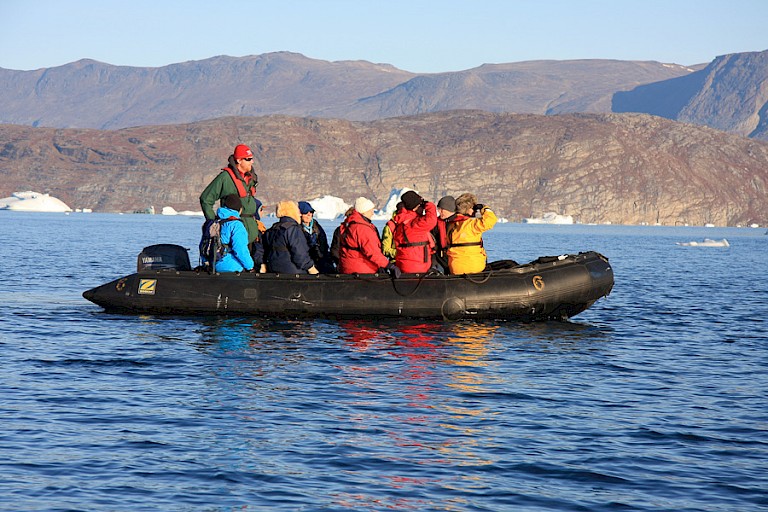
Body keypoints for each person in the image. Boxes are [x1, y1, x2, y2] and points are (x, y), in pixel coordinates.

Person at [200, 144, 262, 258]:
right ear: (239, 160)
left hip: (251, 235)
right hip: (233, 235)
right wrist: (213, 223)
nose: (252, 162)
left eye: (252, 158)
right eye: (248, 159)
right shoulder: (225, 178)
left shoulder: (251, 178)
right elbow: (205, 199)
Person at [338, 197, 400, 278]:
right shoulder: (362, 229)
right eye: (371, 210)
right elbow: (373, 252)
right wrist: (389, 266)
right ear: (364, 211)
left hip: (348, 267)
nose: (372, 213)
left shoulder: (350, 225)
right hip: (362, 270)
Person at [446, 193, 498, 275]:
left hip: (455, 268)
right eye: (473, 208)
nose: (475, 211)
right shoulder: (472, 224)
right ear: (467, 209)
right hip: (474, 268)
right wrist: (484, 208)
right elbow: (491, 220)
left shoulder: (450, 225)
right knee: (508, 264)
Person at [262, 200, 319, 274]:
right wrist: (310, 267)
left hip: (273, 269)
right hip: (292, 271)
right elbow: (299, 252)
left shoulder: (272, 229)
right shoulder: (293, 229)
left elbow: (264, 249)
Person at [392, 191, 437, 273]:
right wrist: (429, 205)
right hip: (417, 266)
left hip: (404, 263)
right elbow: (431, 220)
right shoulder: (413, 223)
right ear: (415, 208)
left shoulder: (402, 220)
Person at [214, 194, 255, 273]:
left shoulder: (215, 222)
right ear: (240, 210)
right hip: (231, 267)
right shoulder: (236, 225)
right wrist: (250, 267)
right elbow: (240, 249)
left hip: (213, 264)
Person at [299, 200, 335, 273]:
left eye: (311, 212)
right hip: (305, 264)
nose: (309, 214)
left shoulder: (317, 227)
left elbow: (324, 246)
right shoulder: (296, 229)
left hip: (320, 261)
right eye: (305, 212)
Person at [431, 195, 457, 273]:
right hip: (440, 258)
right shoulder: (436, 224)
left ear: (449, 210)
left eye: (441, 209)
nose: (439, 212)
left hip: (456, 257)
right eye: (438, 209)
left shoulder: (459, 223)